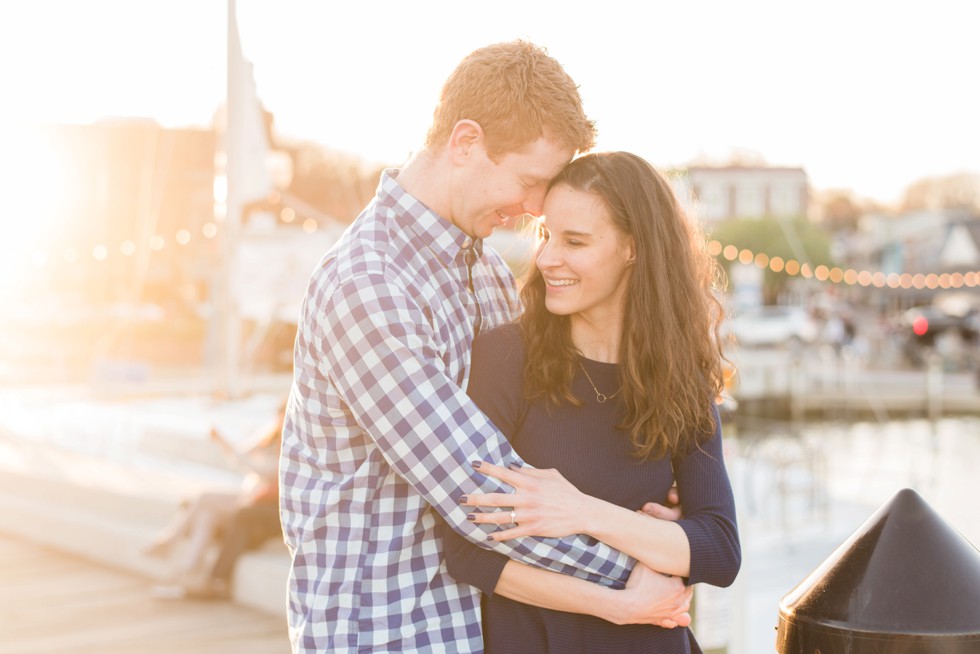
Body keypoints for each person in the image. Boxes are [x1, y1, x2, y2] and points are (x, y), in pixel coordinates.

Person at [279, 41, 691, 654]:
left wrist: (643, 499)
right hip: (386, 629)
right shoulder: (366, 285)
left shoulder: (490, 275)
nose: (532, 208)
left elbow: (541, 440)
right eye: (529, 181)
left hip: (481, 628)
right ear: (465, 142)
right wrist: (641, 559)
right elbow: (484, 492)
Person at [443, 151, 742, 653]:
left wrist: (582, 511)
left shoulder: (678, 377)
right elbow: (468, 553)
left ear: (633, 248)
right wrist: (619, 604)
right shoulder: (505, 357)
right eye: (547, 236)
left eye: (574, 241)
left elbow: (718, 550)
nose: (546, 259)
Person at [146, 399, 285, 599]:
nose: (279, 421)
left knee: (204, 498)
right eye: (278, 417)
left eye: (282, 417)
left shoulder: (288, 448)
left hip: (252, 501)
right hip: (247, 497)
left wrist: (226, 443)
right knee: (205, 516)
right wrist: (222, 439)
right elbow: (240, 453)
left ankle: (171, 541)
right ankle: (189, 568)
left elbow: (260, 470)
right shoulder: (268, 440)